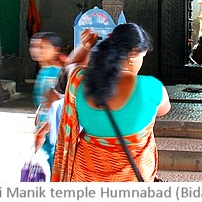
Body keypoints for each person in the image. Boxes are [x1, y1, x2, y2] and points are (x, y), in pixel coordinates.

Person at [51, 23, 171, 182]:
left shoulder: (80, 82)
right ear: (133, 53)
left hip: (86, 177)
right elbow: (164, 110)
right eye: (142, 56)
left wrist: (86, 46)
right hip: (131, 180)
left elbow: (71, 65)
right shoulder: (151, 87)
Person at [29, 31, 66, 170]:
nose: (37, 50)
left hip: (51, 134)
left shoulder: (56, 73)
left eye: (43, 47)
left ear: (55, 50)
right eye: (34, 46)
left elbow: (55, 108)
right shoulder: (44, 71)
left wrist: (42, 131)